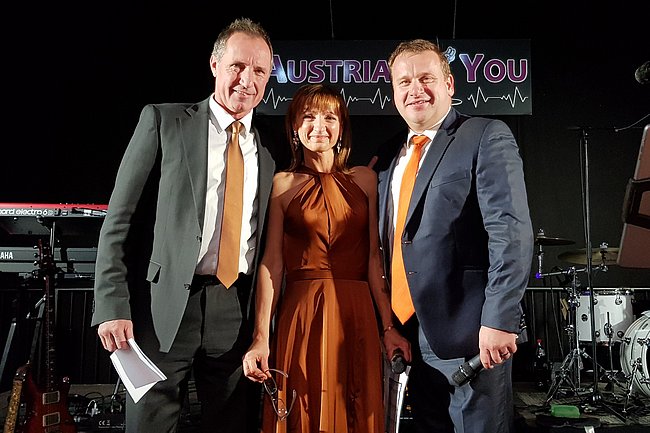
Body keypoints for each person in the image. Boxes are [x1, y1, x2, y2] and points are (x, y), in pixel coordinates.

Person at [91, 18, 282, 433]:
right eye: (237, 66)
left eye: (259, 70)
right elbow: (119, 220)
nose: (247, 80)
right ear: (215, 64)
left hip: (235, 310)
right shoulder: (164, 121)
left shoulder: (273, 145)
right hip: (161, 308)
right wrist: (111, 305)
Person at [372, 39, 534, 433]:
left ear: (449, 84)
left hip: (472, 336)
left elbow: (510, 232)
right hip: (410, 336)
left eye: (426, 78)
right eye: (404, 81)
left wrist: (499, 320)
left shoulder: (483, 135)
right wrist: (390, 326)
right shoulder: (387, 157)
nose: (415, 89)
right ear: (393, 92)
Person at [241, 83, 411, 433]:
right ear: (294, 127)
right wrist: (261, 337)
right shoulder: (282, 184)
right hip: (303, 315)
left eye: (329, 117)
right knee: (303, 408)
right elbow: (272, 264)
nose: (319, 126)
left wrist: (388, 326)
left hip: (357, 313)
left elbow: (374, 260)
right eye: (309, 117)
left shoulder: (366, 180)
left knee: (357, 409)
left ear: (341, 127)